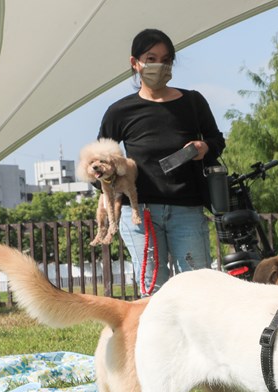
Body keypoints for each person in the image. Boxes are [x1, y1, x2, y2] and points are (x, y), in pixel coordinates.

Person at [98, 28, 225, 295]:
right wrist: (112, 181)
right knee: (153, 292)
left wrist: (204, 147)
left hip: (188, 210)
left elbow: (217, 140)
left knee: (198, 290)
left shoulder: (192, 101)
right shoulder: (119, 111)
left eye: (166, 59)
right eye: (151, 58)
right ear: (135, 63)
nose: (159, 65)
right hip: (140, 214)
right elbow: (96, 164)